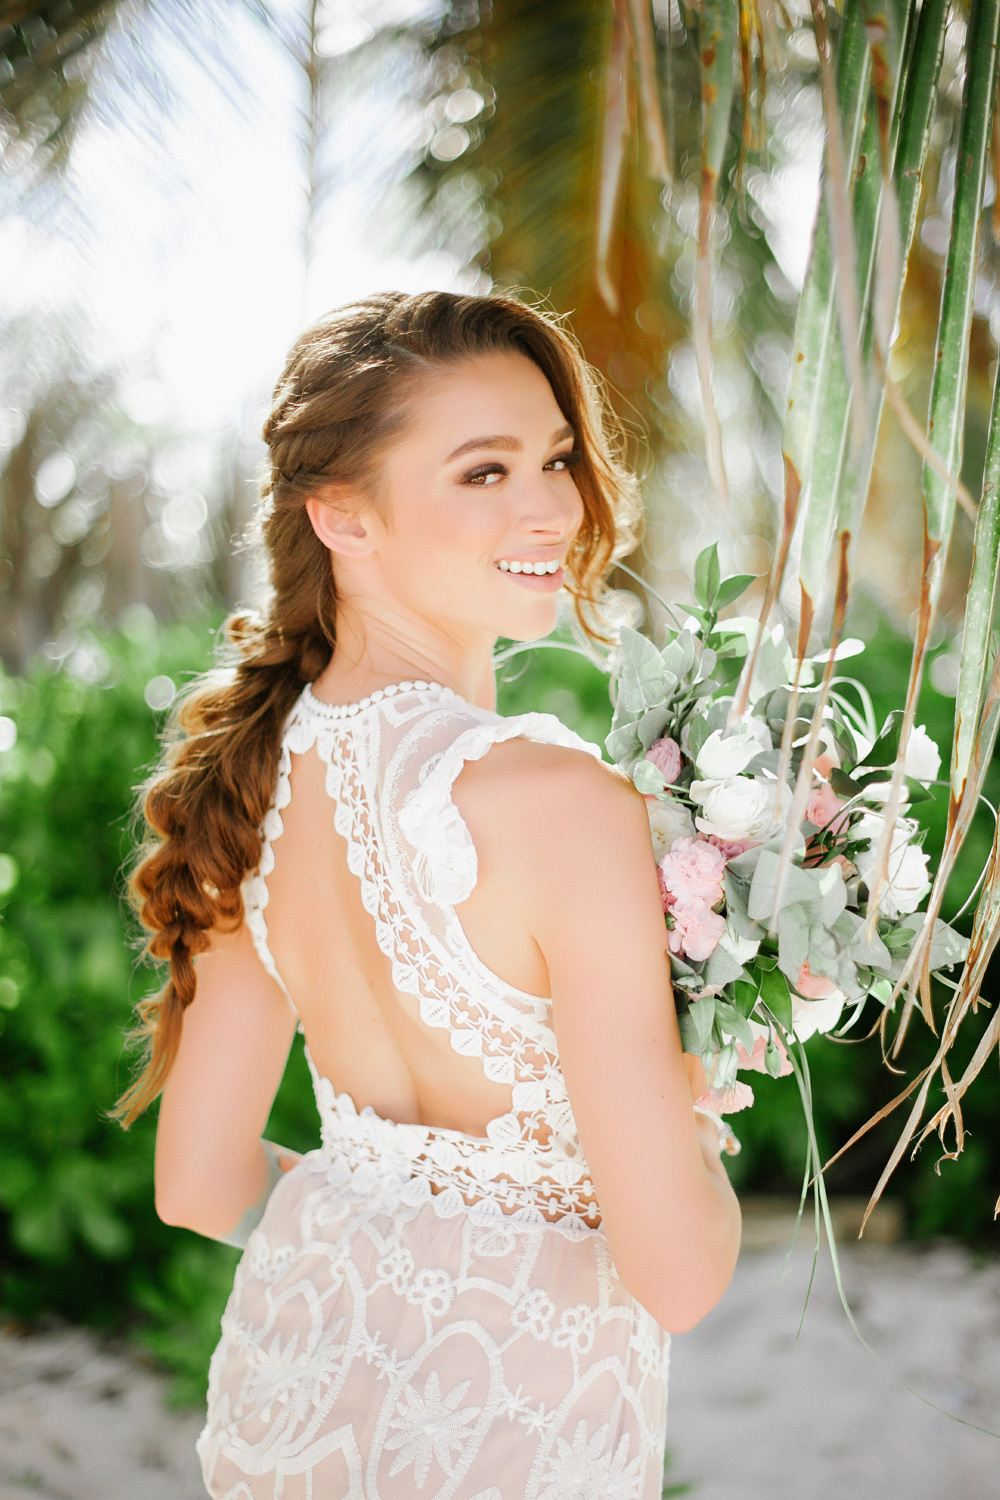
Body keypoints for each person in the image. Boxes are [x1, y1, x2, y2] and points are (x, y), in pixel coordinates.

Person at [116, 290, 741, 1498]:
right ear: (339, 514)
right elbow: (682, 1276)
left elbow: (199, 1184)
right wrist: (695, 1096)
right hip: (515, 1438)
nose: (552, 506)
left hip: (290, 1408)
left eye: (556, 457)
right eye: (482, 472)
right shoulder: (566, 804)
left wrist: (392, 1221)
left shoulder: (252, 784)